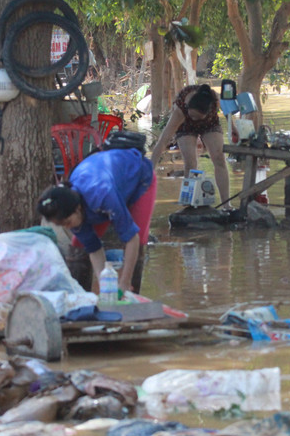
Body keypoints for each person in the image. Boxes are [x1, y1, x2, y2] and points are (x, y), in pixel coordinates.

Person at [37, 148, 157, 294]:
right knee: (79, 245)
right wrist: (105, 287)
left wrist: (124, 281)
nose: (67, 228)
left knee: (138, 239)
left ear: (77, 209)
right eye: (62, 225)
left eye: (67, 223)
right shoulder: (69, 203)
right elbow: (94, 248)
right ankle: (79, 295)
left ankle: (132, 294)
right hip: (107, 182)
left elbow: (132, 238)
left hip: (139, 178)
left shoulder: (102, 196)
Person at [150, 83, 230, 209]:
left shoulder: (213, 98)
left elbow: (227, 108)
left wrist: (234, 127)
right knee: (190, 163)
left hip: (209, 124)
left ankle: (227, 205)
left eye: (197, 117)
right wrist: (150, 168)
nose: (194, 119)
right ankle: (188, 203)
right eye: (192, 116)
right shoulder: (180, 110)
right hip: (185, 126)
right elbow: (162, 142)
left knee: (219, 158)